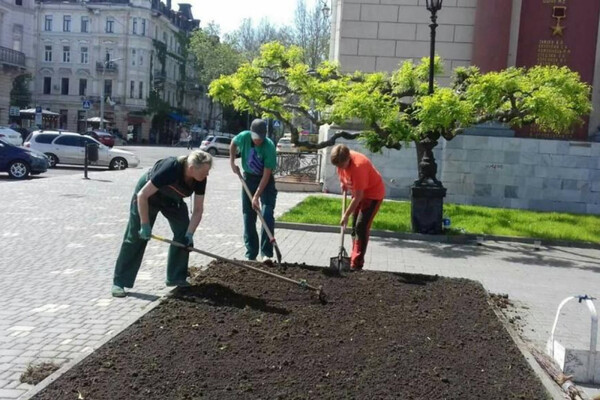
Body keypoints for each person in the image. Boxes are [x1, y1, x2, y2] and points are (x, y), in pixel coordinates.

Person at [111, 150, 212, 297]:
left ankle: (176, 277)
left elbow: (198, 210)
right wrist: (145, 224)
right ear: (191, 168)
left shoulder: (200, 178)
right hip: (148, 198)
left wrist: (189, 234)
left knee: (183, 234)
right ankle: (119, 281)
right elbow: (142, 195)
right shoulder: (171, 168)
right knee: (135, 237)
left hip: (172, 200)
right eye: (205, 172)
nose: (207, 175)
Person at [330, 144, 385, 271]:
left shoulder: (358, 167)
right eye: (337, 166)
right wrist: (343, 182)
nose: (339, 168)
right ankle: (353, 257)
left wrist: (345, 215)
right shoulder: (340, 159)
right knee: (354, 227)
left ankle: (356, 264)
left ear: (348, 159)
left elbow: (359, 196)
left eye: (341, 165)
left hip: (372, 195)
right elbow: (342, 172)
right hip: (358, 193)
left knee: (361, 227)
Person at [229, 118, 277, 261]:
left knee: (267, 213)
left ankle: (266, 254)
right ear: (251, 133)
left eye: (261, 138)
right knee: (248, 215)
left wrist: (256, 196)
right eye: (255, 138)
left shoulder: (269, 147)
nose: (258, 141)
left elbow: (266, 175)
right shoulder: (243, 136)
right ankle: (251, 253)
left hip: (265, 181)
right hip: (248, 179)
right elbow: (233, 143)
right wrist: (232, 161)